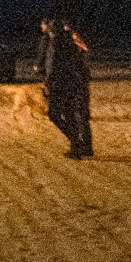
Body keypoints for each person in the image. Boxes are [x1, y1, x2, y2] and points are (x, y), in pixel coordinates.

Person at [42, 17, 93, 158]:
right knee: (70, 114)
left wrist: (48, 84)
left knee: (54, 114)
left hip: (58, 84)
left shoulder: (55, 43)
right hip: (72, 83)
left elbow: (52, 66)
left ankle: (76, 142)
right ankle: (77, 145)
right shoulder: (70, 43)